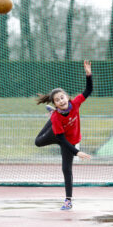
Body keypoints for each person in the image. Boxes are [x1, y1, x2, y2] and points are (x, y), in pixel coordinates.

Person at [35, 60, 93, 210]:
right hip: (58, 135)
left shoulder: (76, 103)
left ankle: (68, 201)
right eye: (57, 100)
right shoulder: (57, 117)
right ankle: (51, 117)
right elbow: (61, 138)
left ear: (67, 97)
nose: (61, 100)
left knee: (66, 169)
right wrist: (77, 152)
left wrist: (88, 74)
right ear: (55, 104)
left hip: (70, 140)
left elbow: (88, 91)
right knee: (37, 142)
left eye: (62, 97)